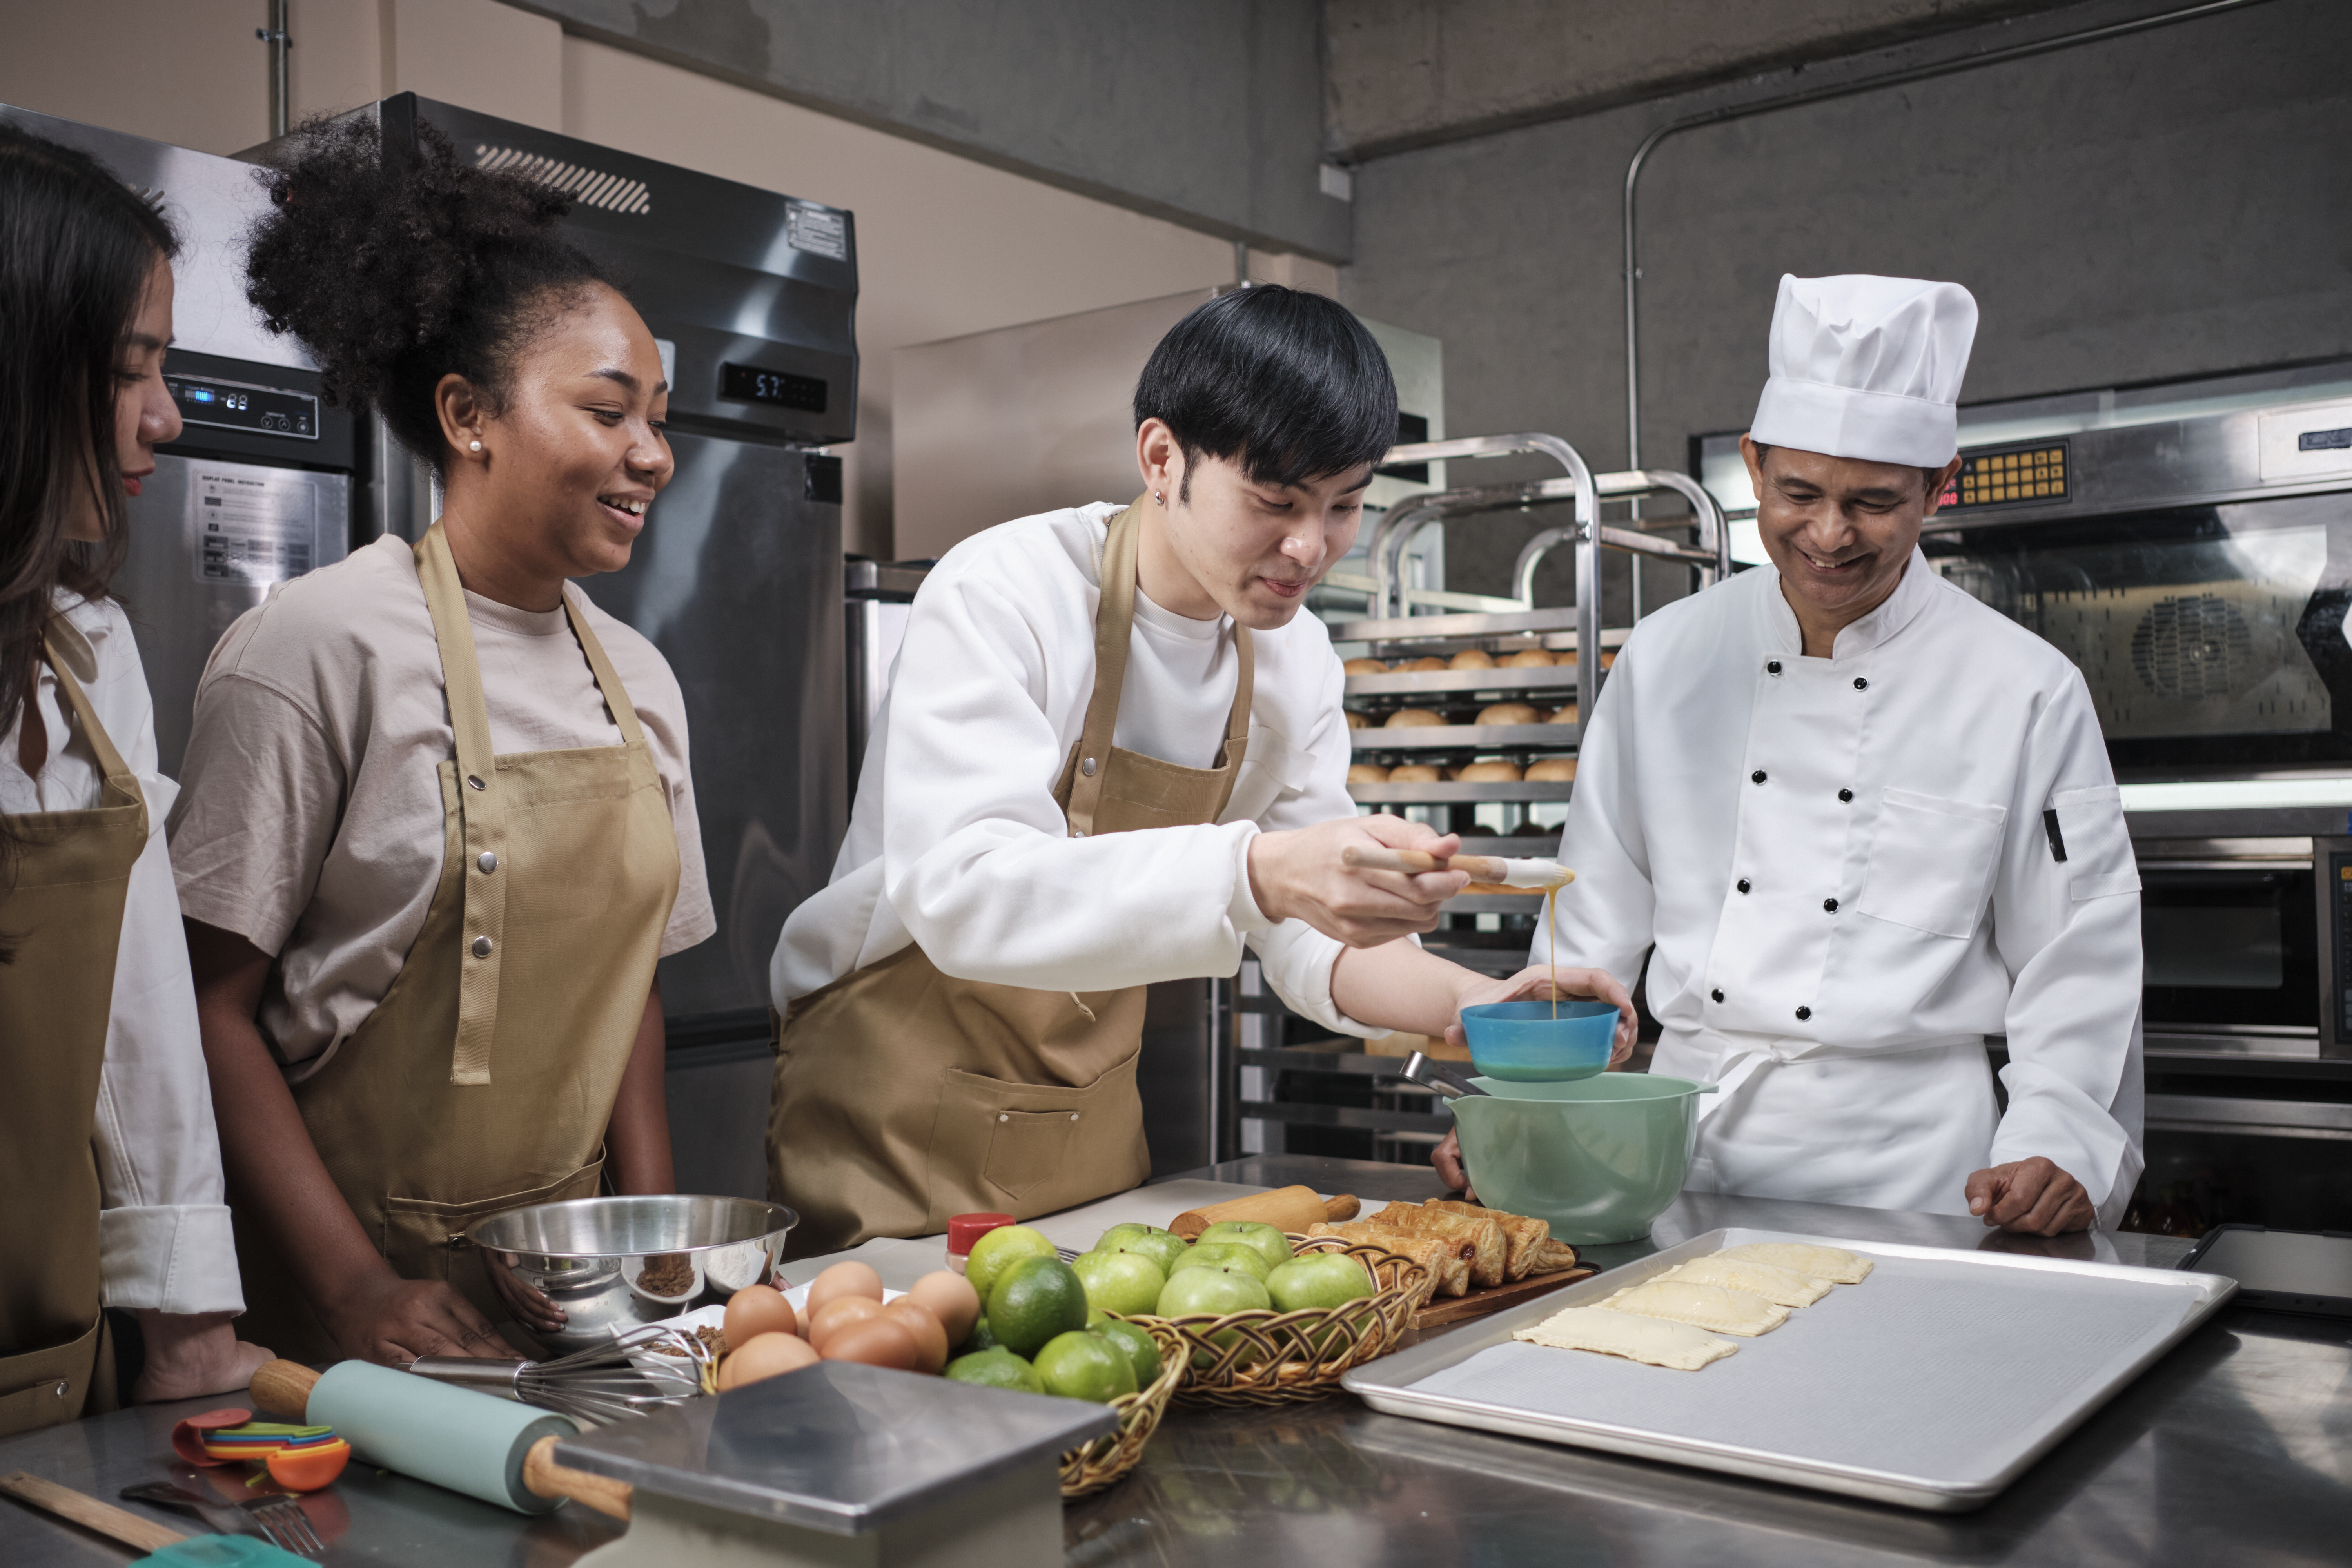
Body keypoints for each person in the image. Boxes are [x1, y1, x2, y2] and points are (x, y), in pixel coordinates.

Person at [769, 286, 1634, 1254]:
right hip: (892, 1122)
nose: (1309, 547)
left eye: (1344, 504)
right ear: (1160, 458)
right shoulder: (1004, 590)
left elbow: (1309, 936)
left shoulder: (1294, 659)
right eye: (1275, 502)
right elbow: (962, 893)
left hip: (1086, 1142)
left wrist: (1472, 1003)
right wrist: (1258, 868)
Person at [1437, 274, 2142, 1236]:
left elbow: (2078, 950)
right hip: (1677, 1148)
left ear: (1941, 487)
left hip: (1915, 1171)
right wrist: (1525, 1111)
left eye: (1874, 502)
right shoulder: (1667, 655)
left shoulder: (2025, 687)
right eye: (1798, 492)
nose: (1828, 534)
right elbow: (1589, 928)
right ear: (1754, 466)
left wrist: (2058, 1136)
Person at [171, 120, 715, 1365]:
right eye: (607, 410)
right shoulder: (316, 649)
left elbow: (635, 987)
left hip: (567, 1305)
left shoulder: (640, 682)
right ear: (469, 416)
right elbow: (208, 1010)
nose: (653, 454)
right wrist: (360, 1289)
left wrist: (653, 1254)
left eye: (660, 417)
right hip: (342, 1323)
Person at [0, 125, 269, 1433]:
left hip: (48, 1375)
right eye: (126, 371)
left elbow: (141, 1014)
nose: (167, 415)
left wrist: (190, 1326)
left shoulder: (85, 651)